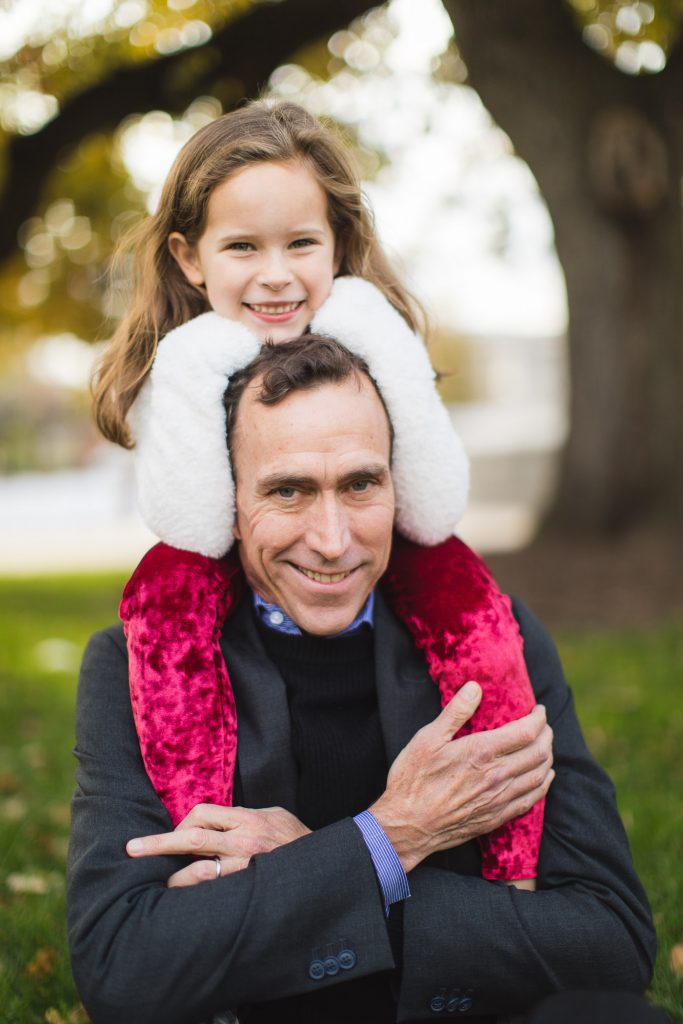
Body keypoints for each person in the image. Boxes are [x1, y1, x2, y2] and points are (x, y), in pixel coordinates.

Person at [68, 335, 658, 1024]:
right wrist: (392, 835)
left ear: (397, 486)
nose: (331, 538)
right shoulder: (143, 666)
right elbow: (121, 965)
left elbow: (611, 939)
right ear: (227, 498)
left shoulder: (491, 642)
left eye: (359, 484)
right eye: (287, 490)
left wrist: (338, 869)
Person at [91, 99, 543, 887]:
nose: (275, 275)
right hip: (218, 557)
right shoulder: (188, 358)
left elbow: (431, 500)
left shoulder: (367, 324)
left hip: (402, 541)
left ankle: (513, 852)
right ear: (189, 258)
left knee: (468, 607)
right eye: (241, 247)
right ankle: (203, 836)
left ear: (338, 243)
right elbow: (193, 522)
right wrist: (207, 363)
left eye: (301, 243)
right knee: (166, 605)